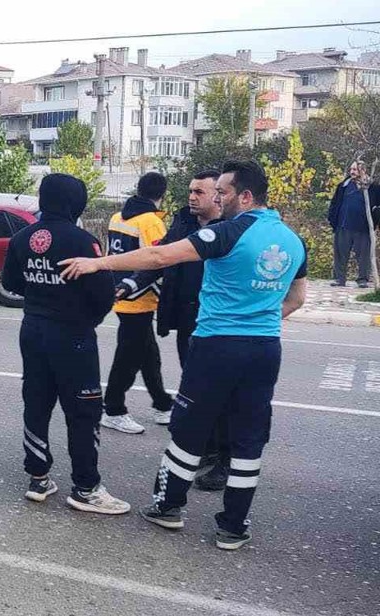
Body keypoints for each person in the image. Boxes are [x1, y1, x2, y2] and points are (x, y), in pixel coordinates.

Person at [60, 160, 307, 551]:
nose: (217, 199)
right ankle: (233, 526)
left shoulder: (227, 232)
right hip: (264, 348)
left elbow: (159, 257)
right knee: (248, 438)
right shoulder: (293, 240)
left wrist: (99, 262)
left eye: (223, 192)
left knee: (189, 427)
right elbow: (297, 298)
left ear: (245, 196)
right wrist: (257, 319)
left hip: (216, 346)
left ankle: (167, 507)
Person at [1, 173, 130, 515]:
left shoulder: (22, 237)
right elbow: (103, 294)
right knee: (84, 410)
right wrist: (86, 317)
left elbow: (11, 282)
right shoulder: (83, 242)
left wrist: (41, 291)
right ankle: (86, 487)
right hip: (73, 335)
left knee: (36, 401)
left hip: (33, 330)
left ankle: (38, 477)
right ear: (76, 202)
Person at [122, 170, 229, 490]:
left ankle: (226, 460)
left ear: (218, 196)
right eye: (191, 191)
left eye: (199, 192)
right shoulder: (183, 222)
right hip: (187, 320)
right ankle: (209, 447)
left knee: (220, 393)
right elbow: (159, 257)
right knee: (194, 387)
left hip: (220, 324)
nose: (191, 196)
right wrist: (131, 283)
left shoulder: (232, 229)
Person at [100, 172, 172, 435]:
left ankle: (162, 403)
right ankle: (113, 409)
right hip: (139, 297)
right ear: (162, 193)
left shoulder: (117, 217)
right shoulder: (151, 222)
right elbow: (158, 260)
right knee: (128, 358)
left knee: (148, 354)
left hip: (120, 292)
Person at [327, 160, 380, 288]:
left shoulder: (372, 187)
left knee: (364, 256)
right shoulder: (343, 186)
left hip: (363, 228)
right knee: (340, 254)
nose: (352, 172)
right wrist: (332, 220)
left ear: (363, 170)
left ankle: (362, 279)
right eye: (351, 169)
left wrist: (375, 221)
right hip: (343, 225)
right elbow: (334, 204)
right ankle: (339, 279)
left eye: (355, 169)